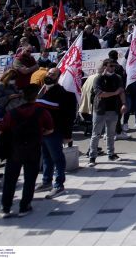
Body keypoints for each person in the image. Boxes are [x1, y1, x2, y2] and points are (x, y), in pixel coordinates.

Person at [0, 84, 53, 217]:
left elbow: (0, 131)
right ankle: (24, 206)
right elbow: (50, 129)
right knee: (30, 179)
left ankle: (6, 207)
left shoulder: (12, 112)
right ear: (36, 96)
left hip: (14, 149)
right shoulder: (42, 111)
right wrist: (41, 132)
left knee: (10, 179)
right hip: (33, 149)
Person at [36, 68, 76, 198]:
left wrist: (67, 135)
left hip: (55, 132)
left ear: (58, 77)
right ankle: (46, 181)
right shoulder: (42, 90)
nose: (49, 75)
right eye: (48, 73)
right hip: (42, 132)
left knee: (57, 158)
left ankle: (59, 185)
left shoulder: (62, 93)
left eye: (52, 74)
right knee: (46, 157)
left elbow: (68, 116)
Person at [88, 59, 127, 165]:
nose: (112, 68)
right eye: (110, 66)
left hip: (113, 109)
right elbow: (100, 94)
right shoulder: (98, 78)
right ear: (105, 66)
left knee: (111, 133)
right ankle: (92, 157)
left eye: (114, 66)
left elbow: (121, 91)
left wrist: (123, 104)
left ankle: (111, 154)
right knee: (96, 134)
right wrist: (115, 93)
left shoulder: (117, 78)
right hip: (100, 110)